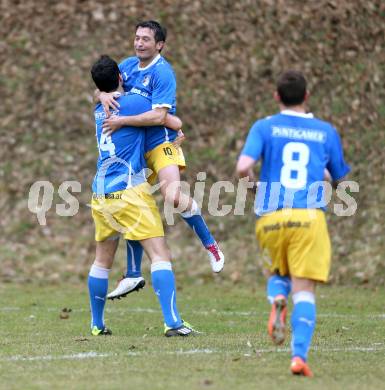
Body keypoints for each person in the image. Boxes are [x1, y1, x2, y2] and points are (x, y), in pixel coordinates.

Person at [97, 20, 224, 300]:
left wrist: (122, 121)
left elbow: (158, 116)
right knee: (134, 200)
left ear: (159, 45)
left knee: (172, 195)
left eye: (146, 39)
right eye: (137, 37)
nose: (139, 43)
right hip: (138, 146)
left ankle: (210, 244)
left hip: (161, 142)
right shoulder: (128, 65)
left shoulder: (163, 72)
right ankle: (132, 274)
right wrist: (102, 93)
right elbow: (103, 84)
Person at [236, 70, 350, 376]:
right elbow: (339, 179)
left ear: (276, 97)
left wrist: (253, 189)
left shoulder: (264, 126)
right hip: (308, 217)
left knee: (278, 271)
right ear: (307, 97)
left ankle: (276, 296)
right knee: (305, 291)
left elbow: (244, 166)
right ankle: (298, 358)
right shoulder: (325, 131)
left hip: (271, 215)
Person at [88, 54, 196, 337]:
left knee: (102, 260)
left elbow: (104, 95)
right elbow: (168, 119)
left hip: (100, 193)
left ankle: (97, 325)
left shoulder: (98, 110)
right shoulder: (134, 103)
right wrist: (177, 129)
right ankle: (173, 323)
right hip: (129, 192)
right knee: (160, 255)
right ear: (121, 78)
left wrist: (100, 95)